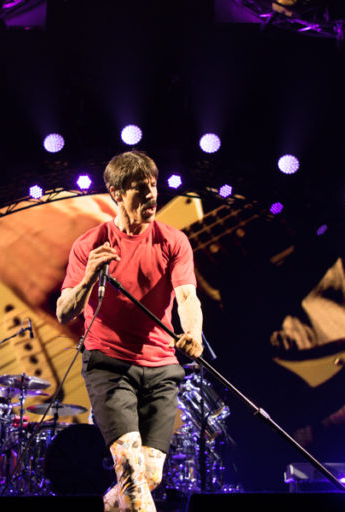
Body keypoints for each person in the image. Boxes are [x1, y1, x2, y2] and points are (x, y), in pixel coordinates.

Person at [56, 150, 204, 512]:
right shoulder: (89, 244)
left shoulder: (173, 241)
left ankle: (108, 506)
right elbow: (63, 312)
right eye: (140, 188)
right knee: (133, 477)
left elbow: (187, 297)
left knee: (148, 476)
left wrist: (193, 333)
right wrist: (89, 278)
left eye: (153, 185)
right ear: (117, 193)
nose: (152, 194)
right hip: (109, 366)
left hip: (161, 367)